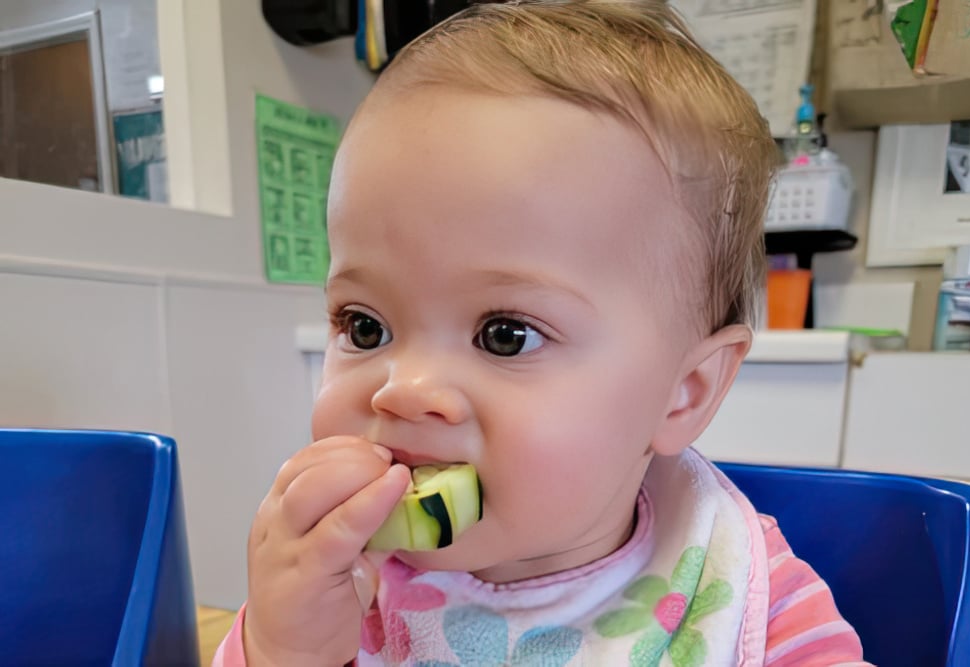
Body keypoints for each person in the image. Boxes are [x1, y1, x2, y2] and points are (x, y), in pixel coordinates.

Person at [215, 2, 868, 664]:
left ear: (683, 391)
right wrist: (278, 646)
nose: (402, 389)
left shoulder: (743, 599)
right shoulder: (336, 586)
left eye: (504, 335)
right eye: (365, 325)